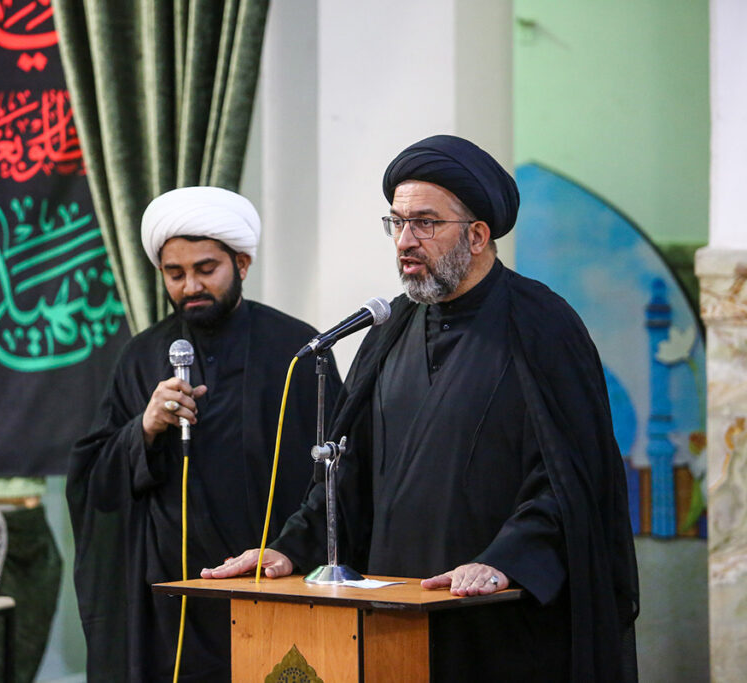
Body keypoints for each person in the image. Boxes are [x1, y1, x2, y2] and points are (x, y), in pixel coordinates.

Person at [203, 135, 639, 681]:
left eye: (425, 223)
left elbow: (571, 479)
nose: (405, 241)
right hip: (394, 624)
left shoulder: (543, 327)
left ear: (477, 235)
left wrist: (504, 559)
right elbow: (348, 474)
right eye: (397, 223)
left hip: (500, 623)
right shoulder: (389, 330)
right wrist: (290, 548)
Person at [68, 186, 342, 682]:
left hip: (273, 585)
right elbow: (92, 479)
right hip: (174, 604)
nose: (190, 285)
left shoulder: (297, 349)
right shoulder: (141, 356)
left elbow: (340, 470)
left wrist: (293, 548)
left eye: (206, 269)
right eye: (175, 274)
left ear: (242, 263)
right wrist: (144, 428)